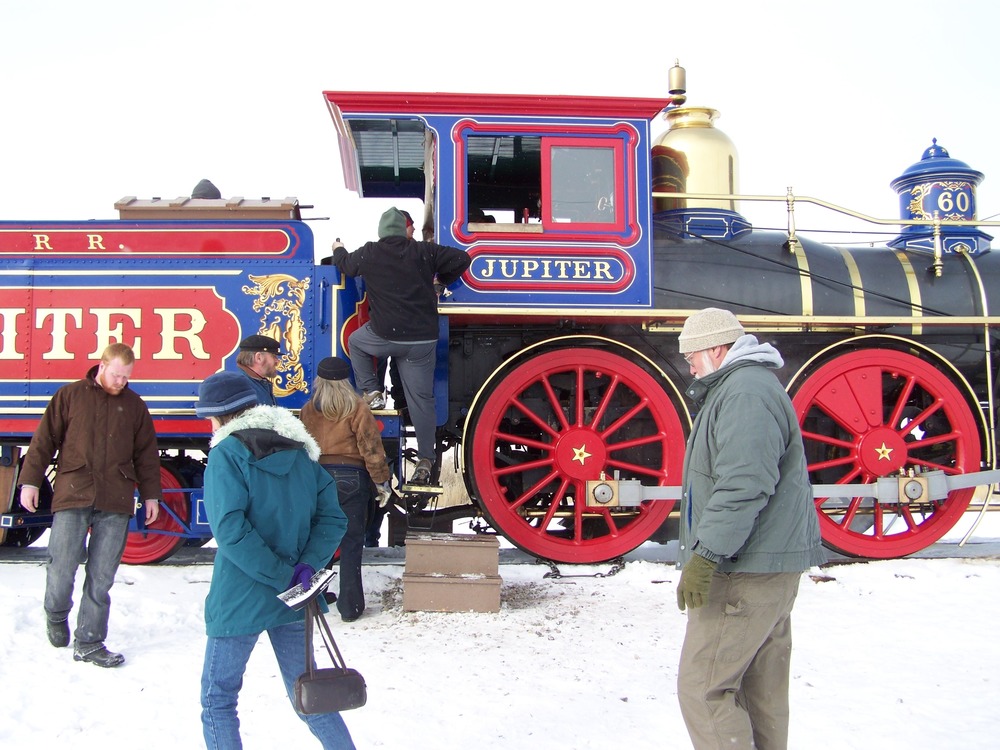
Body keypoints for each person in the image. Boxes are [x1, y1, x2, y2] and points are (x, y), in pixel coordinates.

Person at [674, 307, 826, 750]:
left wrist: (705, 556)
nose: (689, 366)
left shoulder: (743, 393)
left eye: (693, 356)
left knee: (703, 689)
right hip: (765, 566)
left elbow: (743, 484)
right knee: (762, 694)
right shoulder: (747, 387)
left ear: (717, 348)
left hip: (744, 569)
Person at [195, 371, 353, 749]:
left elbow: (230, 530)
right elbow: (333, 518)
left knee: (218, 699)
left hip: (240, 597)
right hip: (295, 599)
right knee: (311, 698)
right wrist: (303, 569)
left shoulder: (226, 455)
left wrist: (282, 575)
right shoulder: (300, 455)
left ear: (221, 416)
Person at [18, 342, 162, 668]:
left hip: (116, 498)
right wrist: (29, 481)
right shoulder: (69, 396)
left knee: (102, 577)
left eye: (127, 377)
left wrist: (152, 494)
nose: (121, 382)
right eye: (116, 375)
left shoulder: (135, 406)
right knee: (61, 566)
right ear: (101, 366)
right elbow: (43, 442)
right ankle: (56, 613)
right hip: (73, 492)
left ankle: (90, 641)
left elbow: (147, 456)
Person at [331, 206, 471, 484]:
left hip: (384, 337)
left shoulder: (371, 252)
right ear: (404, 230)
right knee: (422, 401)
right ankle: (426, 458)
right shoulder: (423, 251)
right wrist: (441, 281)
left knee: (355, 342)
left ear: (382, 232)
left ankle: (373, 392)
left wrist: (338, 247)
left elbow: (345, 264)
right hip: (421, 341)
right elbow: (462, 258)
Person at [299, 356, 391, 621]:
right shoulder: (358, 407)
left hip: (320, 478)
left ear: (320, 380)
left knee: (320, 542)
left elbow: (304, 450)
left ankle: (316, 599)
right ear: (345, 381)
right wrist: (381, 482)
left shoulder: (308, 410)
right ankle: (350, 607)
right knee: (351, 544)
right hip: (352, 479)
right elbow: (371, 449)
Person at [236, 334, 281, 406]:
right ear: (259, 357)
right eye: (274, 356)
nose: (277, 361)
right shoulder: (239, 386)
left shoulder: (258, 383)